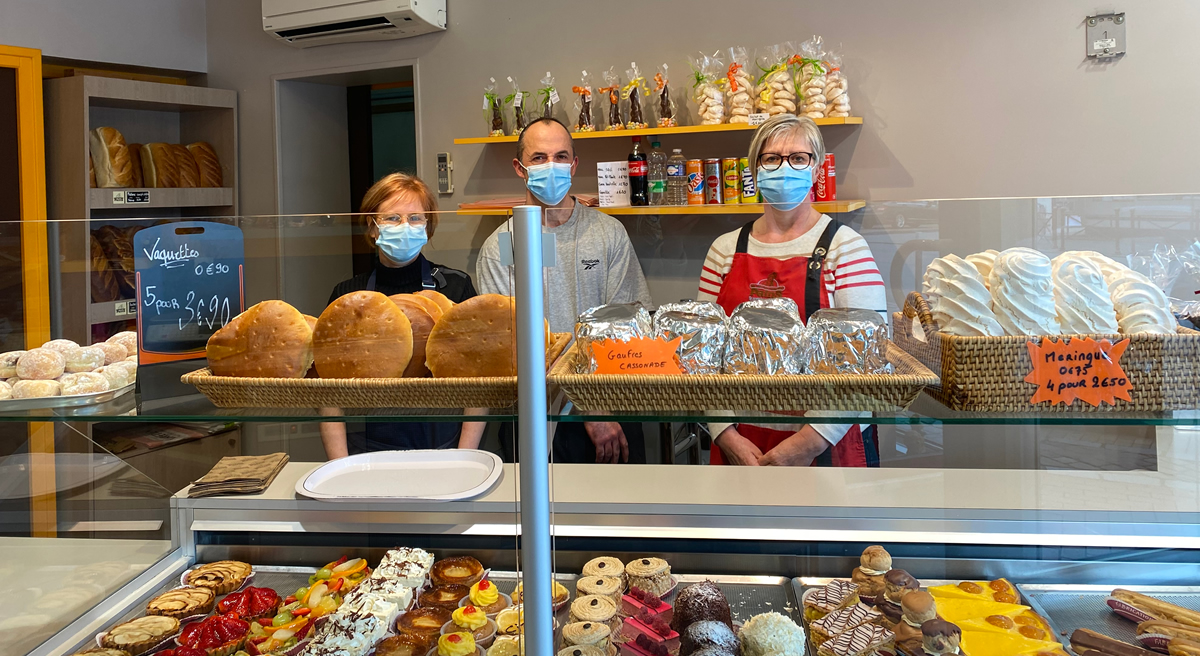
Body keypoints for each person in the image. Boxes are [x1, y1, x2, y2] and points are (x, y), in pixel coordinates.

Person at [697, 114, 887, 467]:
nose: (784, 167)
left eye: (799, 158)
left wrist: (809, 442)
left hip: (828, 442)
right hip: (741, 442)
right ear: (754, 170)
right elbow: (701, 358)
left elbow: (868, 362)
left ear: (816, 170)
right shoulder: (724, 249)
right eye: (771, 158)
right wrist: (724, 432)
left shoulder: (846, 248)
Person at [476, 117, 654, 464]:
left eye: (560, 156)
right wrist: (579, 404)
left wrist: (596, 406)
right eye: (539, 158)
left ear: (574, 164)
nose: (551, 166)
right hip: (535, 414)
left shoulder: (608, 233)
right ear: (520, 167)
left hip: (610, 410)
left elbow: (627, 328)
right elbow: (509, 347)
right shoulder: (500, 248)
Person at [320, 172, 483, 458]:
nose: (405, 226)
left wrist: (465, 455)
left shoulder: (456, 287)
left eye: (415, 218)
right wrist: (339, 463)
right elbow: (327, 391)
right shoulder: (348, 295)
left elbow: (479, 383)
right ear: (372, 228)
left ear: (428, 227)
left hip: (443, 442)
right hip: (367, 444)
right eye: (392, 218)